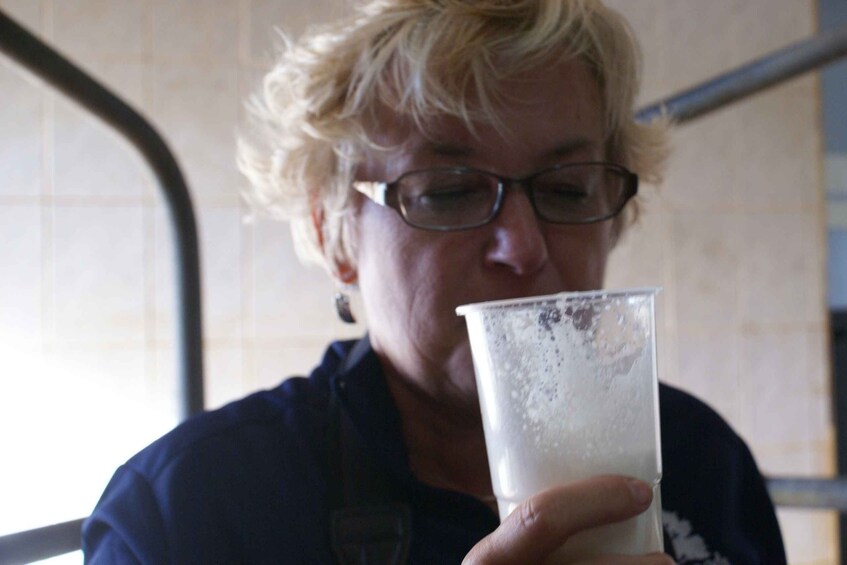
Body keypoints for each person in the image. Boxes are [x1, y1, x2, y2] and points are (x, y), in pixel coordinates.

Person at [82, 0, 786, 563]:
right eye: (447, 190)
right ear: (335, 235)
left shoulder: (702, 462)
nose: (523, 245)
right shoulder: (189, 514)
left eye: (568, 189)